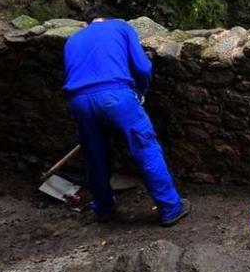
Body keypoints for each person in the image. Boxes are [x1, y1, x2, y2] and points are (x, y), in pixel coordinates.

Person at [63, 13, 190, 226]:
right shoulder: (120, 27)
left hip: (79, 101)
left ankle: (103, 208)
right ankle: (170, 208)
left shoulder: (73, 39)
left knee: (94, 156)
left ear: (88, 23)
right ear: (107, 18)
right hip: (116, 96)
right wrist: (141, 90)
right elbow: (143, 67)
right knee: (145, 147)